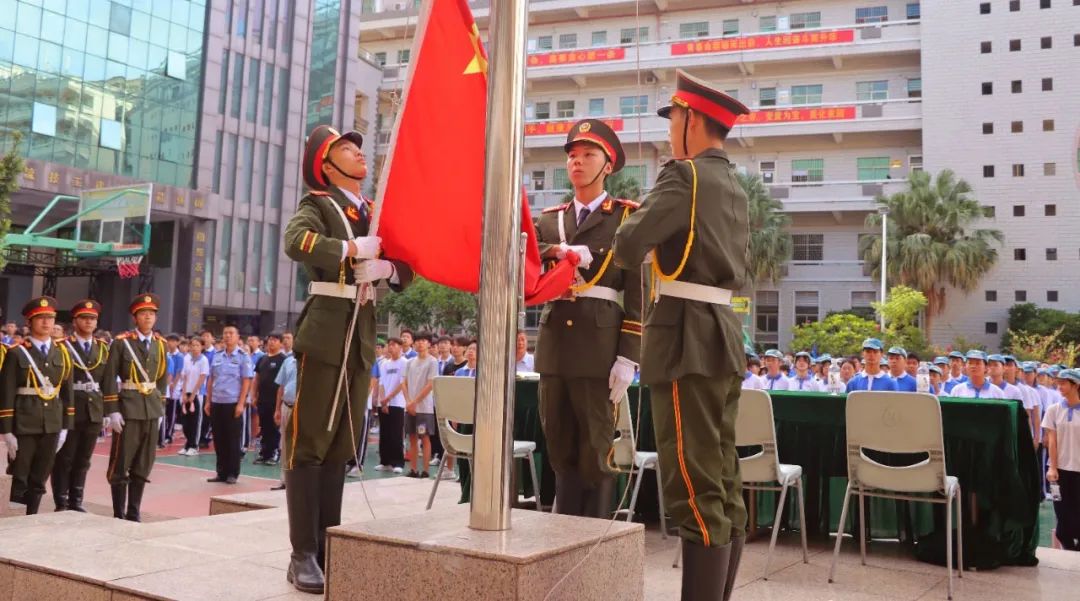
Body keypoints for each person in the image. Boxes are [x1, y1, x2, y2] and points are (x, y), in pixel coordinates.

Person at [613, 69, 750, 599]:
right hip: (722, 334)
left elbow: (629, 243)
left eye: (673, 118)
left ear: (691, 119)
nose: (671, 130)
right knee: (721, 477)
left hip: (686, 337)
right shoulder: (733, 183)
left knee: (692, 485)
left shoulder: (684, 176)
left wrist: (643, 219)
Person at [282, 124, 413, 594]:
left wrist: (388, 268)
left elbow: (407, 269)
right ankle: (302, 554)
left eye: (358, 149)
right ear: (326, 164)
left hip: (359, 339)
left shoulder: (373, 212)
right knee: (310, 442)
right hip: (325, 332)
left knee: (341, 445)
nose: (358, 155)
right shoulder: (317, 203)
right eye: (346, 150)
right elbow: (295, 242)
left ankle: (327, 541)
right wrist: (350, 248)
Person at [536, 117, 643, 520]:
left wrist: (628, 355)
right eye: (573, 156)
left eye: (588, 155)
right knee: (560, 449)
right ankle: (563, 539)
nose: (577, 163)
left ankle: (595, 547)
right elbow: (524, 259)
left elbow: (638, 291)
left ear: (608, 165)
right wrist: (556, 254)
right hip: (555, 347)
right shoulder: (551, 220)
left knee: (597, 451)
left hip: (600, 349)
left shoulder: (626, 218)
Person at [1, 297, 73, 515]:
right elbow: (6, 393)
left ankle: (31, 517)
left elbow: (67, 393)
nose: (46, 322)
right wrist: (7, 431)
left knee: (40, 475)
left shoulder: (62, 353)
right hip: (24, 423)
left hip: (51, 422)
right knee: (20, 474)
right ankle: (14, 519)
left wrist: (65, 427)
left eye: (50, 318)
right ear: (30, 322)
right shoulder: (16, 353)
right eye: (40, 318)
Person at [102, 293, 168, 522]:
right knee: (122, 462)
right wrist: (112, 409)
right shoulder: (122, 343)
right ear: (135, 317)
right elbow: (109, 377)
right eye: (143, 313)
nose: (148, 317)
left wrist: (161, 408)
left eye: (151, 314)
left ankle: (134, 511)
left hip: (151, 409)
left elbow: (161, 379)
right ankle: (118, 512)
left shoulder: (161, 344)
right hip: (128, 408)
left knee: (143, 463)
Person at [51, 299, 108, 512]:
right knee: (64, 458)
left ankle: (76, 500)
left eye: (92, 319)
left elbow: (107, 382)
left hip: (93, 410)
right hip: (69, 409)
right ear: (75, 321)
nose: (89, 322)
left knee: (84, 459)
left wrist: (109, 410)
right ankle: (61, 501)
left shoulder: (102, 348)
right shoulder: (63, 347)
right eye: (84, 318)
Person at [205, 325, 254, 484]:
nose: (227, 336)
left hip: (233, 403)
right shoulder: (217, 355)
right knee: (219, 439)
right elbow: (211, 379)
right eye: (225, 333)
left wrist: (241, 404)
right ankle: (221, 472)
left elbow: (246, 381)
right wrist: (208, 401)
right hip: (217, 402)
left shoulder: (243, 357)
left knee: (232, 439)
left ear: (238, 337)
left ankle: (233, 473)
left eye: (231, 333)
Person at [1044, 368, 1080, 550]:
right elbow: (1052, 441)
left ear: (1076, 385)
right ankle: (1069, 549)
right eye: (1059, 382)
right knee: (1062, 518)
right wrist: (1052, 467)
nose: (1060, 386)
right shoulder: (1054, 410)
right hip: (1060, 471)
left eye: (1064, 383)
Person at [401, 332, 438, 479]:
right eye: (417, 341)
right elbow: (403, 383)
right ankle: (413, 469)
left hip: (424, 408)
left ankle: (426, 470)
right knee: (412, 438)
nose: (420, 343)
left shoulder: (432, 361)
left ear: (429, 343)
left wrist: (414, 402)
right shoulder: (409, 362)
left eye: (423, 341)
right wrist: (408, 402)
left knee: (424, 437)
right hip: (410, 407)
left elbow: (430, 384)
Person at [374, 338, 408, 473]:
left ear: (400, 347)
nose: (391, 347)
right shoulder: (384, 364)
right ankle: (385, 461)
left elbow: (402, 384)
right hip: (384, 403)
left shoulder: (405, 363)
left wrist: (388, 398)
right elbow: (381, 383)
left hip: (397, 403)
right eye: (389, 345)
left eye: (394, 345)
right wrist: (383, 400)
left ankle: (398, 462)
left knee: (396, 434)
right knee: (385, 433)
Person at [253, 333, 287, 466]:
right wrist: (254, 395)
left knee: (275, 427)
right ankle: (264, 453)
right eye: (270, 340)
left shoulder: (283, 359)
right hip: (262, 399)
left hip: (276, 400)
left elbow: (283, 382)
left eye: (275, 340)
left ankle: (275, 453)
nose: (271, 342)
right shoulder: (262, 359)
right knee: (264, 426)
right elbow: (256, 378)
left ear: (281, 343)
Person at [178, 337, 210, 456]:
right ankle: (187, 444)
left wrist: (193, 394)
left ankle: (194, 446)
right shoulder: (187, 358)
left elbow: (202, 378)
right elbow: (185, 376)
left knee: (196, 420)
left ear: (202, 347)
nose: (194, 347)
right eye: (193, 345)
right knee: (186, 421)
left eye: (197, 345)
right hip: (187, 392)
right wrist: (184, 393)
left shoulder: (204, 360)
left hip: (198, 394)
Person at [272, 351, 299, 491]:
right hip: (286, 406)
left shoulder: (311, 363)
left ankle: (298, 480)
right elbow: (281, 387)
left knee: (299, 445)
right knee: (284, 443)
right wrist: (277, 409)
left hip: (302, 410)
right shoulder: (288, 362)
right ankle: (284, 480)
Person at [159, 334, 184, 448]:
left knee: (171, 412)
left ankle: (169, 434)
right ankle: (165, 434)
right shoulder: (167, 354)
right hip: (167, 386)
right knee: (165, 411)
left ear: (177, 342)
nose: (170, 343)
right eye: (168, 341)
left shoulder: (179, 356)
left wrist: (173, 383)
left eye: (173, 341)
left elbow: (178, 372)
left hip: (175, 386)